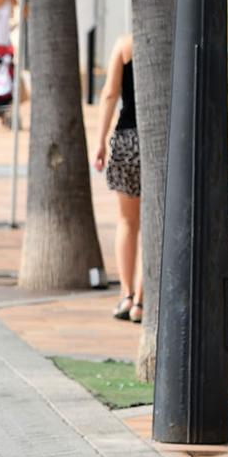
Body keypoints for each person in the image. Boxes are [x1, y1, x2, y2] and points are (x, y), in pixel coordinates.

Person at [93, 33, 142, 323]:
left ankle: (125, 294)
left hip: (126, 139)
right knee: (151, 223)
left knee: (127, 221)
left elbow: (110, 93)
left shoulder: (124, 44)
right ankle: (141, 299)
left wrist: (99, 141)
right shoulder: (172, 38)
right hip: (157, 138)